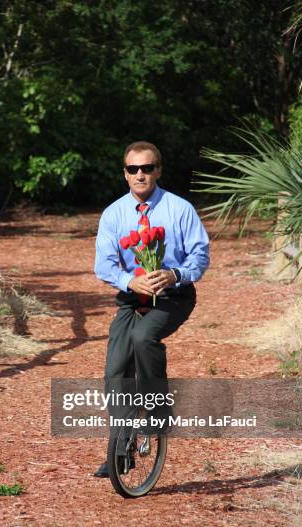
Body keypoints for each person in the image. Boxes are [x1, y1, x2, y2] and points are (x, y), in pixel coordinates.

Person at [93, 141, 210, 478]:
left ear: (158, 170)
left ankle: (160, 412)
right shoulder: (114, 214)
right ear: (125, 174)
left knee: (144, 338)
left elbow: (200, 256)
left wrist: (176, 273)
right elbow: (103, 265)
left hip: (174, 296)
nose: (140, 175)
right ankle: (120, 450)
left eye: (147, 168)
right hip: (132, 298)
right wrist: (129, 281)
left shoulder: (180, 209)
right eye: (133, 169)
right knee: (116, 370)